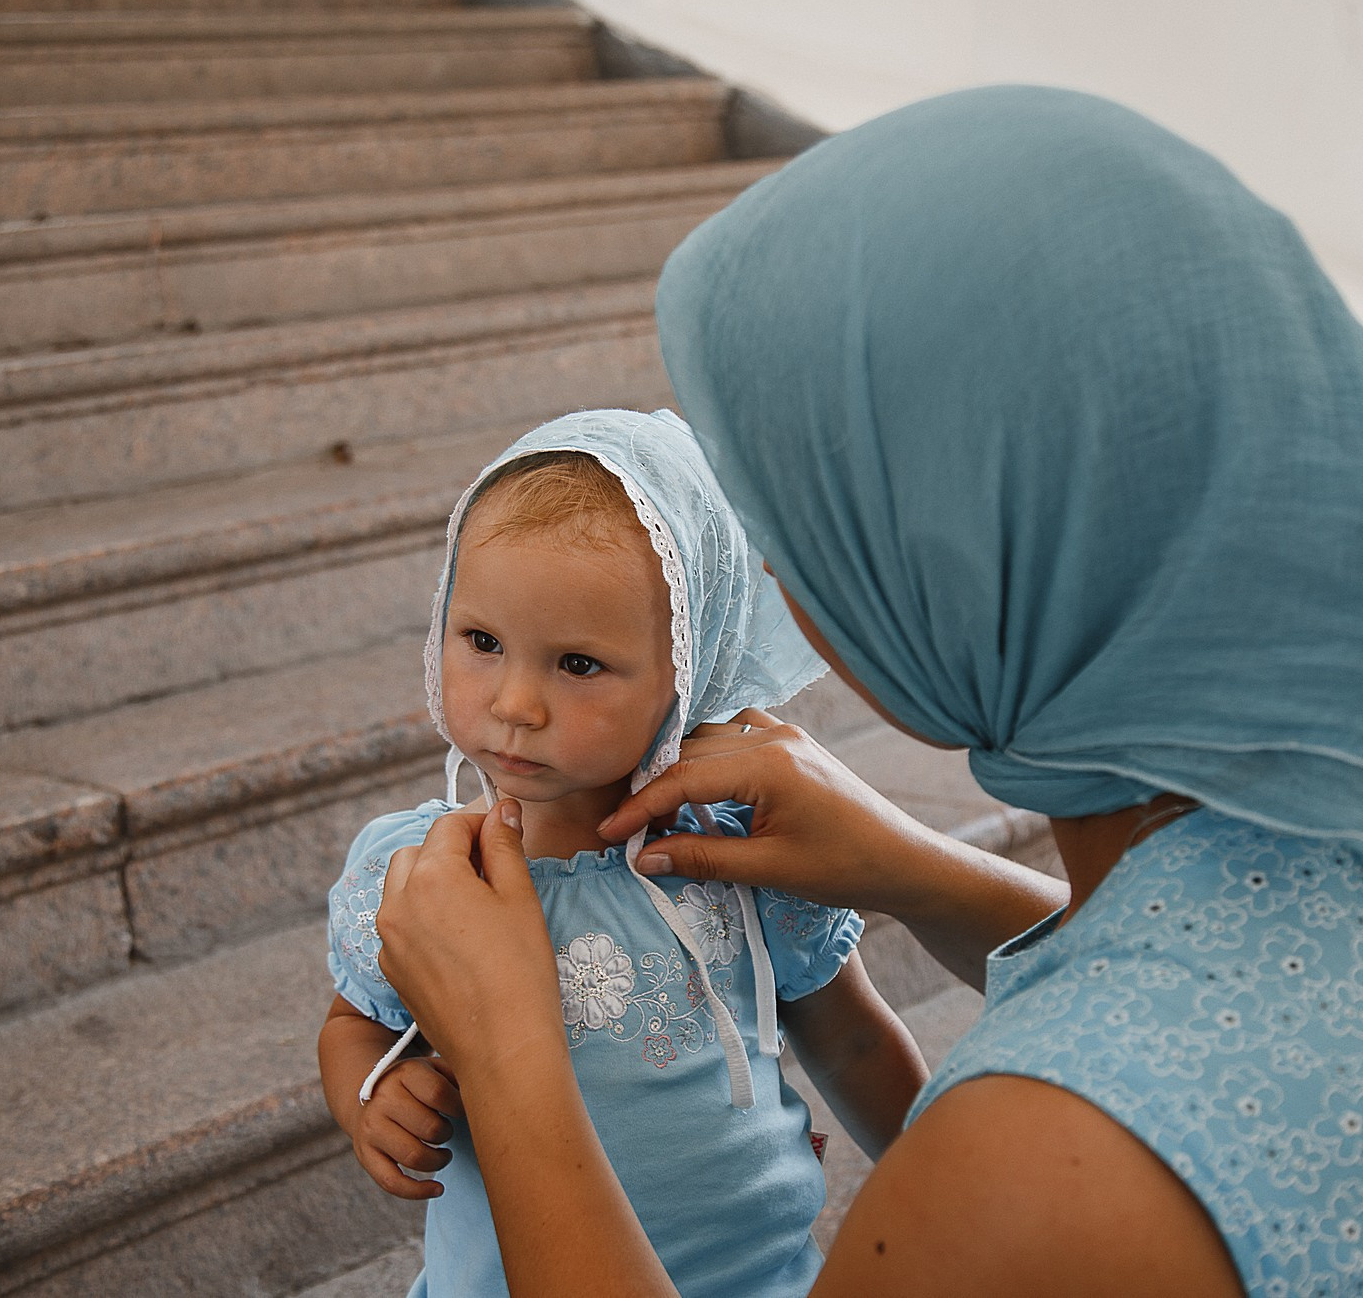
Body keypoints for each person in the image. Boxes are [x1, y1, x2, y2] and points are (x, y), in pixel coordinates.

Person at [369, 86, 1363, 1295]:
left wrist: (515, 1054)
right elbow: (1232, 976)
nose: (776, 578)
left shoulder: (1024, 1181)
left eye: (807, 512)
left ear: (965, 550)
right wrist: (918, 872)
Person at [317, 409, 929, 1297]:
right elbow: (354, 1023)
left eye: (578, 664)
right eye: (483, 643)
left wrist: (943, 1172)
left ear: (690, 663)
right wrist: (370, 1097)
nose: (517, 703)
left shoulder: (731, 854)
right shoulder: (421, 874)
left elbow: (856, 1047)